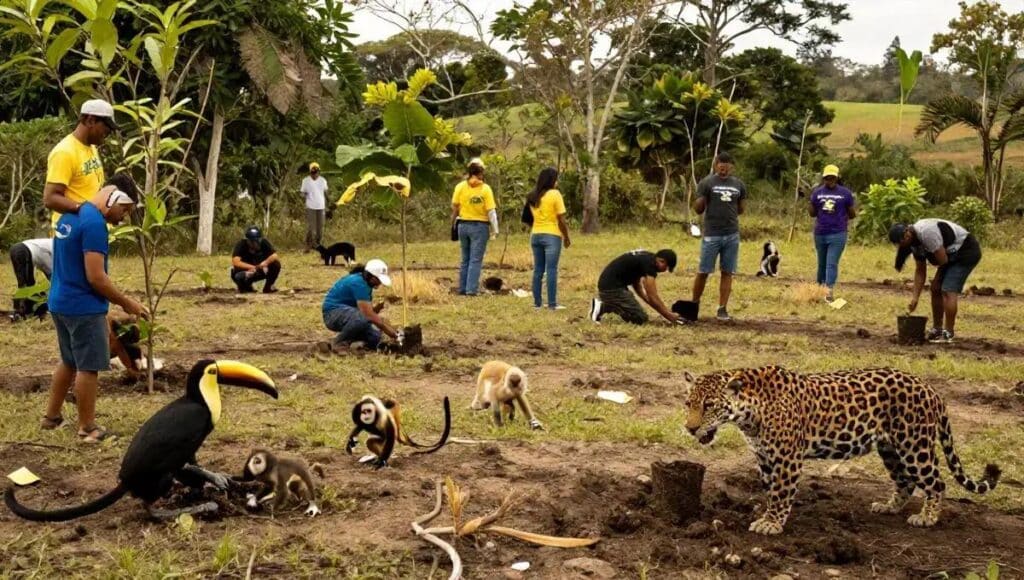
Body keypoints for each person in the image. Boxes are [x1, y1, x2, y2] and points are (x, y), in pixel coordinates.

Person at [44, 173, 148, 443]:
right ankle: (87, 428)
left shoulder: (70, 214)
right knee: (88, 367)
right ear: (113, 196)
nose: (123, 217)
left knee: (68, 360)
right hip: (83, 307)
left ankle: (51, 417)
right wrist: (127, 303)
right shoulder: (94, 224)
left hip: (60, 301)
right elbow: (96, 277)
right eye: (124, 208)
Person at [889, 219, 982, 344]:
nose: (903, 244)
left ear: (907, 232)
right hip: (950, 254)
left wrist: (938, 278)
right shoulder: (914, 244)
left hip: (965, 251)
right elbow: (920, 270)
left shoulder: (927, 233)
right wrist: (915, 298)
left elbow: (942, 260)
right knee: (935, 288)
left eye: (903, 239)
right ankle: (937, 329)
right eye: (900, 243)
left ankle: (948, 334)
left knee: (948, 290)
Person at [43, 99, 117, 232]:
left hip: (89, 228)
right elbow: (50, 198)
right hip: (71, 231)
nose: (108, 134)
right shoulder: (64, 152)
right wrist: (88, 211)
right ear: (90, 121)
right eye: (106, 128)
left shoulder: (91, 147)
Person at [693, 152, 746, 321]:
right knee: (703, 271)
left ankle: (722, 308)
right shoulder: (707, 182)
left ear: (732, 166)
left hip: (731, 233)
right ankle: (694, 304)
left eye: (727, 165)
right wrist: (702, 199)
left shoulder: (739, 184)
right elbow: (698, 208)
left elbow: (741, 208)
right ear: (716, 165)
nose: (723, 168)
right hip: (712, 234)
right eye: (720, 165)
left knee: (727, 272)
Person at [322, 260, 401, 350]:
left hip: (349, 315)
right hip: (332, 315)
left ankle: (355, 344)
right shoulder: (358, 284)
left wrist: (376, 309)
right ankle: (338, 343)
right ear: (369, 275)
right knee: (364, 317)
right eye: (378, 279)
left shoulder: (366, 285)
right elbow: (368, 315)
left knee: (375, 338)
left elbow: (368, 314)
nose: (379, 283)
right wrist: (393, 334)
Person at [589, 249, 682, 325]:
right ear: (661, 261)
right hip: (612, 289)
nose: (664, 270)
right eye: (666, 267)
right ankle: (603, 305)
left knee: (637, 312)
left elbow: (637, 286)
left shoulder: (645, 259)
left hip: (610, 286)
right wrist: (668, 315)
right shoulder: (650, 265)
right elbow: (653, 296)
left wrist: (650, 302)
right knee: (640, 318)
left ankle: (608, 304)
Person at [451, 158, 498, 296]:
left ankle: (462, 288)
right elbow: (491, 212)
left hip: (463, 225)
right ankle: (471, 290)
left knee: (465, 258)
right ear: (481, 172)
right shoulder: (485, 189)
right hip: (479, 226)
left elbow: (455, 206)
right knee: (475, 259)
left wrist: (453, 223)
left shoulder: (460, 187)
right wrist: (495, 229)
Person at [809, 164, 856, 301]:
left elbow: (852, 213)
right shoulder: (817, 193)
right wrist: (810, 201)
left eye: (832, 178)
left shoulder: (845, 193)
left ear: (837, 178)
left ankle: (828, 291)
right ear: (824, 178)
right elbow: (812, 213)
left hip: (838, 233)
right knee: (821, 263)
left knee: (831, 263)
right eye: (827, 178)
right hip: (821, 232)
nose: (830, 180)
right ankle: (819, 288)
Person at [526, 167, 570, 310]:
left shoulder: (533, 196)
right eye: (556, 178)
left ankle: (537, 303)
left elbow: (529, 218)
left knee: (538, 270)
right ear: (551, 180)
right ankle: (552, 304)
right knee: (551, 269)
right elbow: (561, 220)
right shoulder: (555, 194)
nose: (557, 181)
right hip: (552, 235)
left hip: (535, 235)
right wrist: (566, 237)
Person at [9, 238, 53, 319]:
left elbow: (45, 267)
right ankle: (20, 311)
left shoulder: (50, 244)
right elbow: (50, 271)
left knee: (29, 283)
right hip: (23, 251)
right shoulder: (54, 247)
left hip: (19, 249)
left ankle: (28, 310)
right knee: (25, 285)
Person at [231, 226, 281, 293]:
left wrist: (265, 263)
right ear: (247, 240)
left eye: (256, 240)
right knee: (237, 274)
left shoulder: (264, 243)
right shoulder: (241, 245)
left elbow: (274, 256)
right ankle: (245, 287)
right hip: (247, 271)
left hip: (260, 269)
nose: (254, 243)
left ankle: (268, 287)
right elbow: (236, 262)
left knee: (276, 264)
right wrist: (253, 267)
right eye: (252, 241)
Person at [301, 162, 329, 251]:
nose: (315, 174)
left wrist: (329, 203)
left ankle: (317, 244)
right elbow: (302, 192)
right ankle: (308, 245)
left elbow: (326, 192)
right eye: (313, 173)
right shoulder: (305, 181)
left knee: (320, 228)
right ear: (310, 172)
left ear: (319, 172)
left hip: (321, 206)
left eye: (316, 172)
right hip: (310, 206)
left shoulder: (323, 180)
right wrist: (304, 195)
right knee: (311, 228)